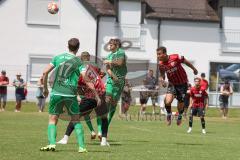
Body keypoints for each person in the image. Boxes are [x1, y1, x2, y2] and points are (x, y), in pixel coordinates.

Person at [40, 38, 87, 153]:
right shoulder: (79, 62)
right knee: (76, 120)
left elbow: (45, 72)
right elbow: (85, 77)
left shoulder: (58, 57)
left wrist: (45, 89)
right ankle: (81, 147)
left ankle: (52, 144)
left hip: (56, 92)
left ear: (68, 46)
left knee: (52, 119)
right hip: (70, 94)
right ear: (78, 47)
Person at [57, 51, 109, 146]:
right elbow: (101, 74)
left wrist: (80, 93)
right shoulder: (94, 66)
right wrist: (97, 80)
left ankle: (65, 139)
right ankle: (104, 141)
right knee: (104, 117)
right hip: (101, 91)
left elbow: (81, 82)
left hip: (92, 95)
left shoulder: (79, 69)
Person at [157, 46, 198, 126]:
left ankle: (179, 115)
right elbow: (162, 74)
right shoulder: (161, 64)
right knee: (168, 101)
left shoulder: (175, 57)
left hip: (182, 84)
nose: (158, 56)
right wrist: (162, 80)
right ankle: (169, 114)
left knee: (180, 101)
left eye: (159, 54)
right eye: (157, 54)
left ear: (164, 54)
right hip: (172, 84)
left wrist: (194, 69)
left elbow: (185, 61)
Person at [103, 38, 128, 127]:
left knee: (113, 105)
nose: (109, 46)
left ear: (116, 46)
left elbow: (120, 63)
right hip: (111, 81)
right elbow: (107, 69)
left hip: (120, 82)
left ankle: (106, 126)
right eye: (109, 45)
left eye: (111, 45)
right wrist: (113, 77)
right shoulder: (109, 55)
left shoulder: (121, 52)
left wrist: (109, 61)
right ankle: (102, 126)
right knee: (107, 100)